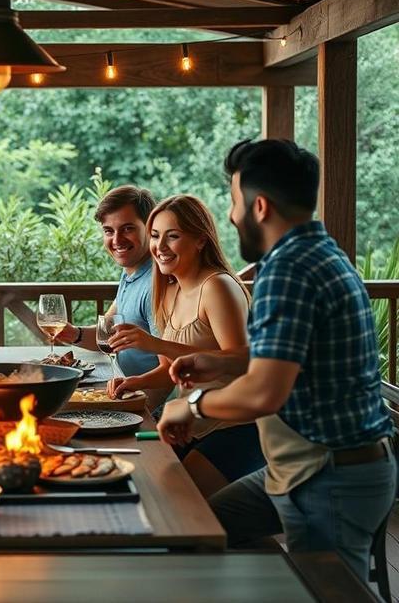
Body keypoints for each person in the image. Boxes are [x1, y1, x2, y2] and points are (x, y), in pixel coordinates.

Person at [158, 139, 396, 580]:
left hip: (330, 476)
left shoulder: (289, 269)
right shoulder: (318, 253)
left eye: (234, 202)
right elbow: (291, 354)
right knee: (200, 529)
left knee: (331, 593)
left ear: (260, 206)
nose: (231, 216)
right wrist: (223, 364)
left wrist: (189, 406)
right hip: (297, 469)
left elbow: (266, 391)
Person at [107, 195, 260, 496]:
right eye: (154, 236)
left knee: (174, 499)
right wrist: (135, 382)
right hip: (191, 423)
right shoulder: (170, 290)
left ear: (201, 240)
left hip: (237, 427)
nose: (159, 248)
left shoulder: (217, 286)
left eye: (172, 236)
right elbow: (170, 370)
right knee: (129, 474)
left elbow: (243, 360)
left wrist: (155, 344)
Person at [55, 185, 160, 379]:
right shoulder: (131, 273)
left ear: (150, 227)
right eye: (109, 231)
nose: (117, 240)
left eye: (127, 228)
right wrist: (73, 333)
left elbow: (169, 370)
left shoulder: (156, 284)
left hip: (143, 401)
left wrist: (140, 408)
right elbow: (106, 335)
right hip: (122, 385)